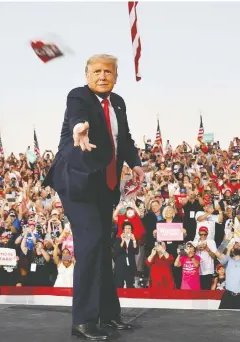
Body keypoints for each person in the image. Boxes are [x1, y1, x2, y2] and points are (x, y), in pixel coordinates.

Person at [43, 54, 143, 341]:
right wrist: (79, 129)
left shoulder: (119, 103)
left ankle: (108, 315)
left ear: (115, 76)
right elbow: (78, 118)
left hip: (104, 184)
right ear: (87, 75)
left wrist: (135, 163)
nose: (102, 76)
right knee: (90, 244)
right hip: (77, 182)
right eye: (97, 71)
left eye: (108, 72)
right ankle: (84, 321)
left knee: (101, 247)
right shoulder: (78, 96)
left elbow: (124, 140)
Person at [215, 229, 240, 310]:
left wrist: (239, 234)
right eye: (237, 244)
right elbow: (218, 253)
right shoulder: (228, 260)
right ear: (232, 249)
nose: (239, 245)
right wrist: (229, 238)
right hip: (228, 298)